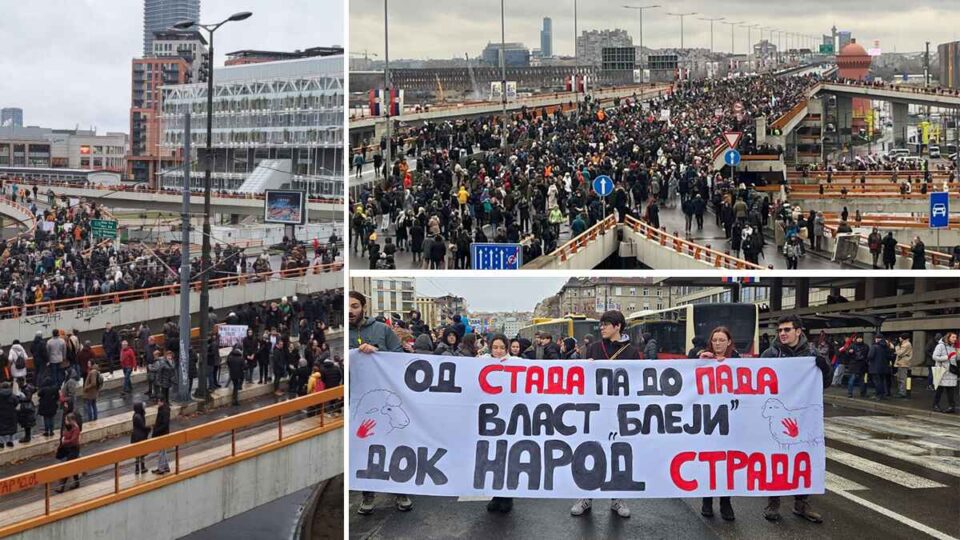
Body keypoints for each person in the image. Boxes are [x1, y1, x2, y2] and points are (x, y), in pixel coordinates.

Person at [761, 315, 830, 523]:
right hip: (778, 416)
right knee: (777, 457)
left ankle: (802, 502)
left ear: (798, 331)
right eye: (780, 330)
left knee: (804, 457)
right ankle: (773, 502)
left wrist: (824, 368)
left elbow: (824, 383)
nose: (782, 333)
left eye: (787, 329)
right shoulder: (770, 354)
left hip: (802, 417)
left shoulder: (812, 353)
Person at [349, 291, 412, 515]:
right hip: (357, 405)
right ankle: (367, 495)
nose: (350, 311)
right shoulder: (343, 335)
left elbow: (399, 359)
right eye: (347, 307)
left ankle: (400, 490)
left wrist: (377, 353)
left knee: (394, 446)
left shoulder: (382, 330)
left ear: (364, 307)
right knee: (364, 449)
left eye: (355, 306)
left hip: (387, 401)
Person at [572, 310, 638, 519]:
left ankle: (617, 498)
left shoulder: (633, 352)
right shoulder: (593, 348)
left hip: (619, 411)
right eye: (601, 324)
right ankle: (586, 495)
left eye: (606, 324)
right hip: (595, 409)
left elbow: (637, 381)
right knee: (590, 449)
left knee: (617, 451)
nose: (601, 328)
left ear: (618, 326)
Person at [696, 326, 739, 521]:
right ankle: (707, 500)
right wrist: (699, 361)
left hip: (730, 419)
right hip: (707, 419)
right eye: (715, 340)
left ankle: (725, 501)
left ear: (729, 342)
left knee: (727, 461)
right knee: (708, 460)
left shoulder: (738, 361)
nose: (718, 343)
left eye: (722, 340)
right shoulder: (702, 359)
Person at [54, 412, 81, 492]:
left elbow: (73, 440)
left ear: (70, 421)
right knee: (73, 466)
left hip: (74, 449)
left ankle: (62, 487)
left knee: (67, 466)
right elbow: (64, 435)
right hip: (67, 449)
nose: (65, 421)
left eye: (66, 420)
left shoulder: (76, 428)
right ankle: (76, 482)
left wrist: (64, 441)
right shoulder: (68, 427)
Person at [931, 332, 958, 413]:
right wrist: (947, 357)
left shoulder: (954, 347)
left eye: (956, 337)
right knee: (939, 389)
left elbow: (957, 358)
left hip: (952, 371)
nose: (955, 339)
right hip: (942, 371)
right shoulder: (940, 346)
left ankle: (951, 406)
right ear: (948, 337)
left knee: (951, 390)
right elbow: (934, 357)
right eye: (953, 337)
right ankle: (935, 405)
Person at [866, 334, 891, 400]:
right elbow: (889, 356)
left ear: (876, 339)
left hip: (875, 367)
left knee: (877, 381)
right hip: (884, 367)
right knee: (882, 381)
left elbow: (870, 356)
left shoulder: (874, 346)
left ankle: (878, 395)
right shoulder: (886, 347)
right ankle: (883, 394)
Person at [151, 397, 171, 474]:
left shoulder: (164, 411)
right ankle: (165, 467)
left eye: (158, 402)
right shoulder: (164, 409)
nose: (157, 403)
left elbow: (164, 424)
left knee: (161, 452)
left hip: (162, 434)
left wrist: (156, 431)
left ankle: (161, 469)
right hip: (163, 433)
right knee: (163, 451)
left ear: (161, 402)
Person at [131, 401, 151, 474]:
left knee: (137, 453)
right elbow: (142, 426)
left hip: (135, 436)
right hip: (140, 436)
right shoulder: (138, 416)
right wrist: (148, 428)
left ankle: (137, 468)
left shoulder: (135, 415)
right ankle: (142, 467)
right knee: (141, 452)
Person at [894, 334, 912, 399]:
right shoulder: (906, 344)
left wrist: (897, 347)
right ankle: (901, 392)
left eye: (900, 337)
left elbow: (899, 353)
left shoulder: (906, 344)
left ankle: (902, 393)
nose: (899, 338)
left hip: (903, 364)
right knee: (900, 378)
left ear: (903, 338)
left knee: (902, 379)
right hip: (902, 363)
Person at [0, 382, 18, 448]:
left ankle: (1, 443)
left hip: (1, 415)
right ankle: (10, 441)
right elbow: (16, 402)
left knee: (1, 428)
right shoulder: (12, 395)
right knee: (11, 428)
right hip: (11, 414)